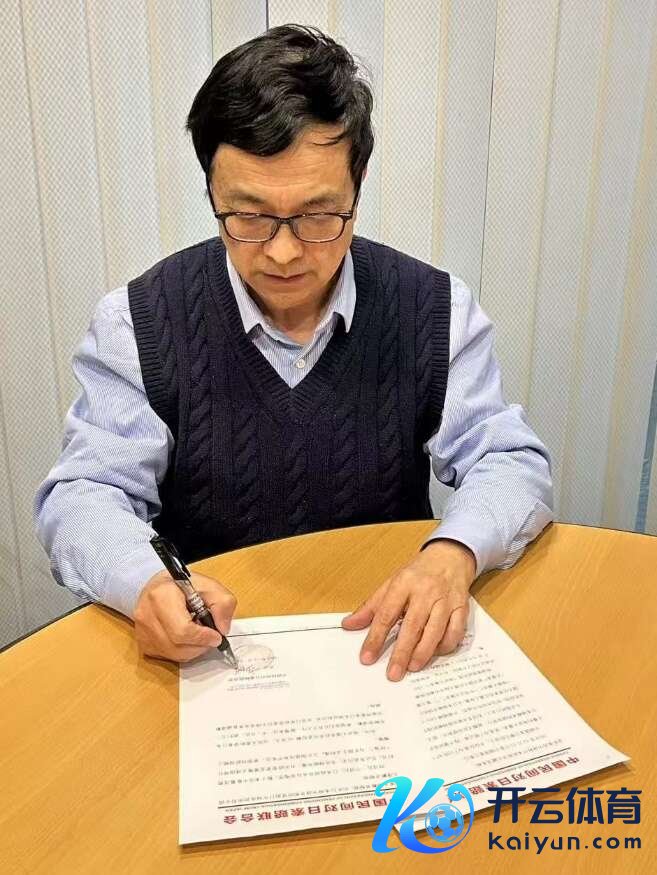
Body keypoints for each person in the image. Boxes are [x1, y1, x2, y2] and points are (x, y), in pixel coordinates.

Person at [34, 24, 553, 682]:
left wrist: (453, 551)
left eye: (317, 216)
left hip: (381, 642)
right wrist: (145, 582)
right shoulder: (138, 321)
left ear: (357, 187)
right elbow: (85, 492)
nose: (282, 253)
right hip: (216, 659)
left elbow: (506, 458)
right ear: (211, 191)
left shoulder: (432, 308)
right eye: (248, 216)